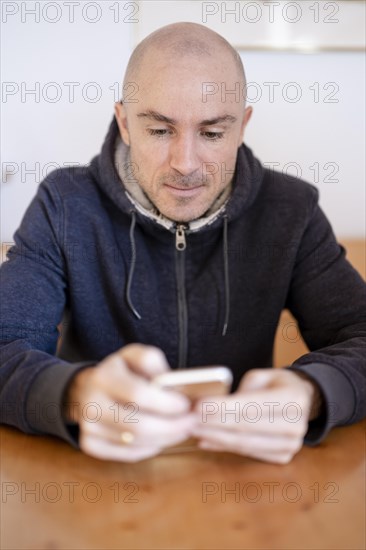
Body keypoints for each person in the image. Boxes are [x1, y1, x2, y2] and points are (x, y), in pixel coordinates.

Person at [1, 22, 365, 465]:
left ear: (242, 127)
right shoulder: (63, 205)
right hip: (97, 480)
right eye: (159, 131)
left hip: (243, 481)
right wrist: (74, 396)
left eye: (212, 133)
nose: (185, 164)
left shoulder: (292, 210)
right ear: (125, 123)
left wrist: (312, 394)